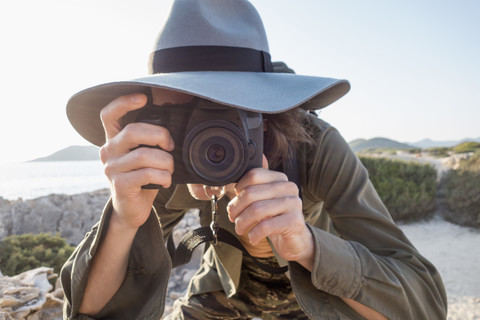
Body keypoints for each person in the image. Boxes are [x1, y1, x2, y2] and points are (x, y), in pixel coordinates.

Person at [61, 0, 447, 319]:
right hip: (220, 295)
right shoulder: (162, 160)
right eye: (183, 111)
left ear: (267, 108)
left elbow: (424, 306)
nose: (205, 136)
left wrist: (307, 245)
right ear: (155, 109)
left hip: (315, 300)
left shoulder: (315, 147)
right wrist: (124, 218)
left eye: (226, 107)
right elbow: (88, 313)